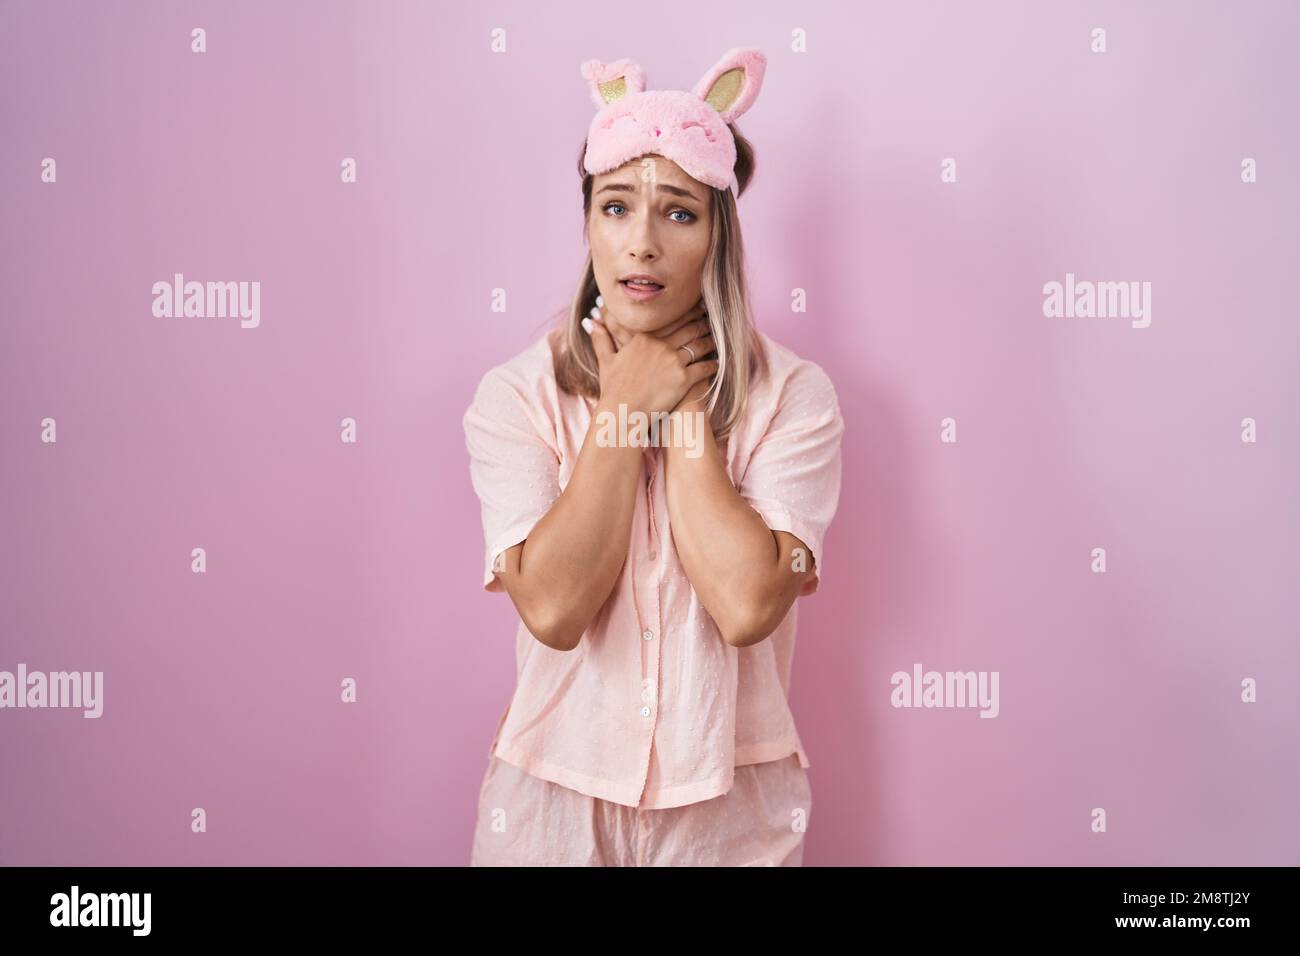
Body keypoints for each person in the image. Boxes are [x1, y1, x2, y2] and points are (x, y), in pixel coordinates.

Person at [463, 47, 844, 866]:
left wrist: (683, 413)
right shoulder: (515, 397)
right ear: (588, 225)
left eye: (678, 213)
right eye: (616, 208)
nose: (641, 243)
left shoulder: (794, 397)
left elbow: (746, 606)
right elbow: (554, 611)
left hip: (730, 813)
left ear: (717, 236)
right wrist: (622, 410)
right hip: (552, 804)